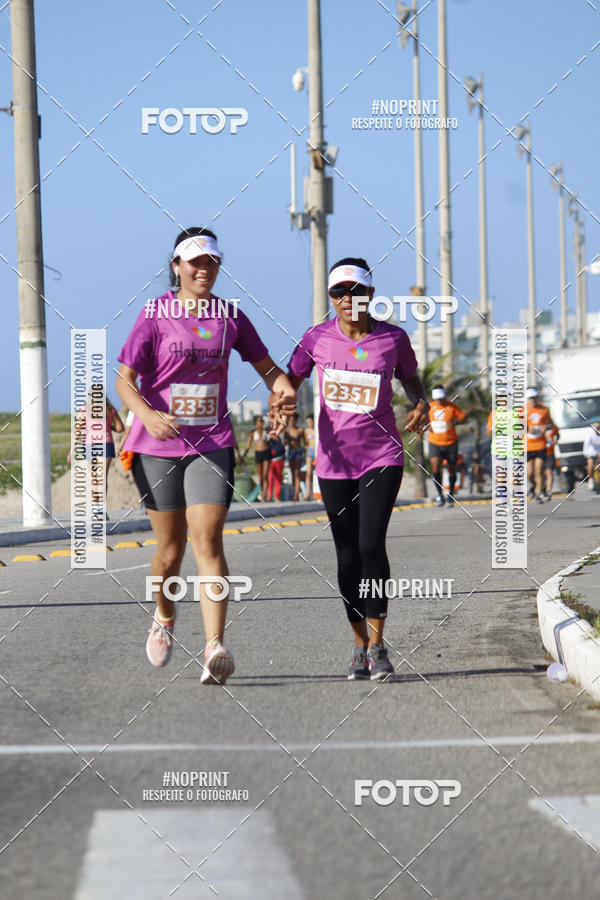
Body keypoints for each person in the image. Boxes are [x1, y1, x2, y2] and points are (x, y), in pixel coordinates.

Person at [116, 227, 296, 684]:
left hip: (211, 443)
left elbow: (269, 369)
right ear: (176, 266)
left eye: (212, 262)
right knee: (170, 551)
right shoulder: (154, 315)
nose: (204, 269)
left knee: (208, 540)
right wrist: (147, 416)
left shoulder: (230, 317)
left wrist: (284, 391)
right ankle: (164, 614)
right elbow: (124, 380)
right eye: (195, 262)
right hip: (157, 446)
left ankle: (214, 646)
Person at [287, 256, 429, 681]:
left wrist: (421, 404)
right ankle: (359, 644)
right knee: (347, 556)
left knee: (370, 545)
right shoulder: (316, 339)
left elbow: (411, 380)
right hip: (334, 462)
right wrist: (282, 403)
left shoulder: (393, 338)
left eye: (358, 291)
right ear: (331, 297)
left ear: (371, 294)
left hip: (381, 456)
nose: (349, 299)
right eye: (340, 292)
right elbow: (289, 379)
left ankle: (379, 645)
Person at [68, 392, 124, 517]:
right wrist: (109, 427)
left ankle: (95, 509)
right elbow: (120, 428)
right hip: (106, 444)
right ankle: (102, 510)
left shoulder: (84, 409)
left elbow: (78, 430)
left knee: (94, 479)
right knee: (103, 478)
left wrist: (72, 451)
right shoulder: (109, 409)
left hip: (89, 445)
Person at [427, 385, 467, 507]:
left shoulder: (452, 406)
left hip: (451, 442)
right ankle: (440, 494)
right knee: (435, 467)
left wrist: (454, 422)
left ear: (444, 396)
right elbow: (423, 420)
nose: (439, 400)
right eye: (437, 398)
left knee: (451, 469)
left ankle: (451, 494)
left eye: (441, 398)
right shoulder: (429, 407)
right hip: (435, 442)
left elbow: (464, 418)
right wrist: (426, 425)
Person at [526, 387, 551, 503]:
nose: (533, 400)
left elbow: (550, 424)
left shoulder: (544, 409)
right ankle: (534, 485)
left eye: (534, 398)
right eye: (530, 398)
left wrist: (546, 427)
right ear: (527, 399)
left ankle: (538, 494)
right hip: (527, 445)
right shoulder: (521, 411)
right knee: (529, 473)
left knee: (539, 470)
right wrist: (527, 429)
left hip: (540, 444)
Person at [240, 414, 270, 500]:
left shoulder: (266, 431)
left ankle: (264, 495)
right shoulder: (253, 433)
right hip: (258, 453)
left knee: (265, 475)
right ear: (255, 422)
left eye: (262, 421)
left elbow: (272, 439)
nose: (262, 422)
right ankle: (262, 490)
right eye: (260, 421)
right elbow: (248, 446)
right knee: (260, 476)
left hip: (266, 453)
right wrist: (243, 456)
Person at [284, 413, 305, 500]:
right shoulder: (287, 431)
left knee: (297, 473)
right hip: (290, 452)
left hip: (298, 452)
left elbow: (305, 442)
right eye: (290, 420)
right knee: (293, 473)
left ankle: (296, 494)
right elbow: (284, 443)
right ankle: (295, 491)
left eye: (293, 420)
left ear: (295, 421)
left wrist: (305, 453)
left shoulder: (300, 430)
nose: (291, 422)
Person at [543, 420, 560, 500]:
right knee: (541, 474)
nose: (548, 424)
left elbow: (557, 437)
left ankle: (548, 491)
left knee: (549, 472)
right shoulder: (539, 429)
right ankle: (543, 488)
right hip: (540, 453)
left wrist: (555, 440)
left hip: (550, 453)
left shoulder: (554, 429)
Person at [266, 433, 285, 501]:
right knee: (270, 479)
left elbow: (283, 449)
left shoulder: (280, 439)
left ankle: (277, 496)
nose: (274, 436)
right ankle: (269, 496)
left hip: (279, 461)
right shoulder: (269, 441)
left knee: (278, 479)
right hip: (271, 461)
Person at [583, 422, 600, 491]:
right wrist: (586, 454)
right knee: (590, 464)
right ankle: (590, 479)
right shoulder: (590, 435)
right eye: (595, 428)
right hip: (591, 453)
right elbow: (586, 445)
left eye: (598, 428)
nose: (597, 429)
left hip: (598, 452)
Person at [304, 415, 316, 500]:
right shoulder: (306, 431)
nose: (309, 424)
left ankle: (318, 492)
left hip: (317, 450)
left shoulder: (317, 429)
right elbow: (306, 442)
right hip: (310, 451)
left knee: (318, 472)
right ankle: (308, 493)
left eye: (310, 422)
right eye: (307, 422)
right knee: (308, 473)